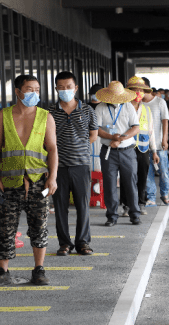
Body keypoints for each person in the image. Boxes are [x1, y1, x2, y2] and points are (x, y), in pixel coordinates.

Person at [0, 74, 58, 287]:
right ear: (18, 92)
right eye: (29, 89)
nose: (34, 93)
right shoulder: (3, 116)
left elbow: (52, 148)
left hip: (38, 181)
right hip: (9, 182)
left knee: (39, 226)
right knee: (5, 228)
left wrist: (53, 177)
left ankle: (39, 269)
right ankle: (3, 270)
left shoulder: (46, 116)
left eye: (37, 89)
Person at [49, 71, 98, 257]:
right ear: (56, 89)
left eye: (68, 87)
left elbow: (93, 135)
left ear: (76, 88)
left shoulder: (87, 110)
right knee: (60, 207)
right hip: (58, 167)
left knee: (82, 205)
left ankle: (83, 242)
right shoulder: (50, 113)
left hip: (81, 165)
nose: (65, 90)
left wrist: (79, 148)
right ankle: (64, 244)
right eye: (60, 87)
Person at [94, 81, 141, 226]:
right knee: (109, 184)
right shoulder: (100, 107)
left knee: (130, 182)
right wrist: (111, 137)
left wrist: (120, 139)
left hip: (127, 150)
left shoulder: (128, 106)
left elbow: (135, 127)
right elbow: (97, 129)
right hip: (108, 152)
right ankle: (112, 216)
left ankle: (134, 214)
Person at [119, 76, 160, 215]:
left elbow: (151, 132)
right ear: (128, 92)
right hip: (126, 148)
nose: (138, 93)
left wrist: (154, 151)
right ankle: (126, 205)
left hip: (143, 149)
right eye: (135, 90)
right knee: (127, 176)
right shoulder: (122, 108)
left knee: (142, 177)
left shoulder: (147, 111)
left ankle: (140, 203)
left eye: (141, 90)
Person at [142, 77, 169, 207]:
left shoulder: (160, 102)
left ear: (146, 88)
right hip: (143, 145)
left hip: (159, 144)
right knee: (148, 173)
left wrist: (165, 139)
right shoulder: (138, 104)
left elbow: (165, 121)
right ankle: (151, 197)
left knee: (163, 171)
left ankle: (164, 194)